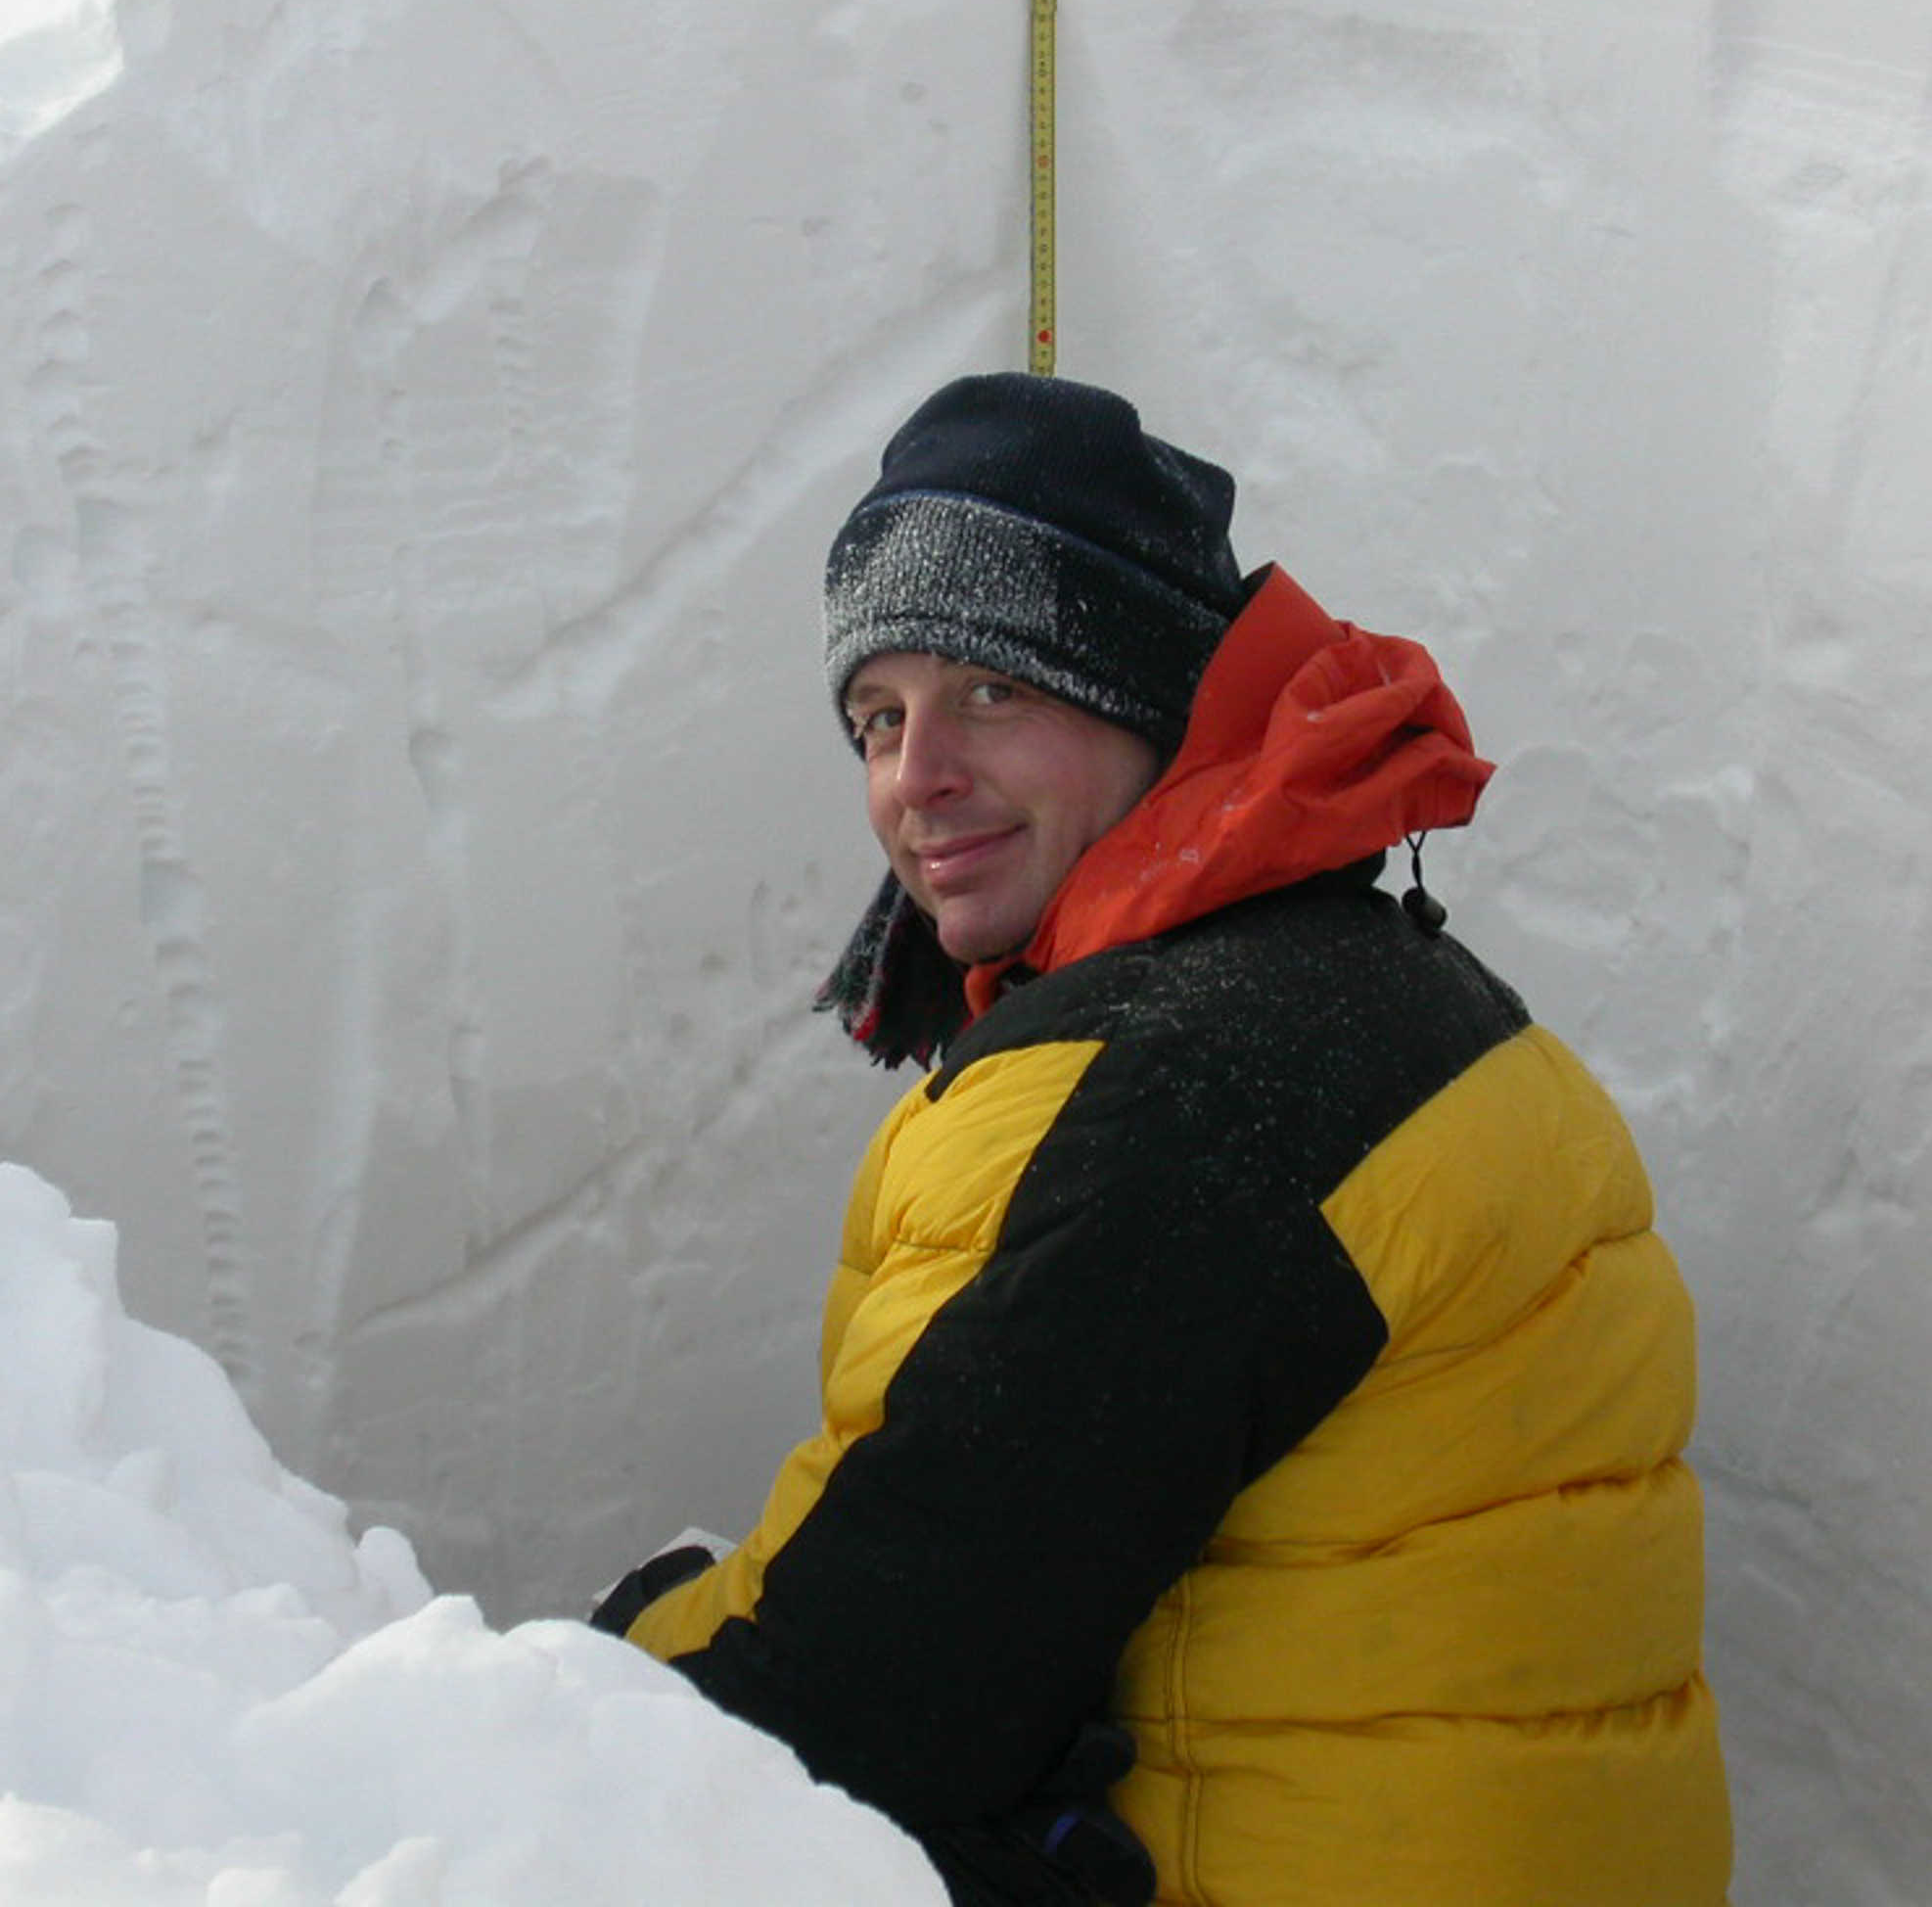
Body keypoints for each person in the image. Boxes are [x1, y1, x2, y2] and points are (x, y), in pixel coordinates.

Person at [590, 373, 1733, 1905]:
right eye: (880, 716)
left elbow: (855, 1707)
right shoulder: (1384, 990)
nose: (916, 779)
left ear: (1145, 701)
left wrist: (600, 1658)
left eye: (992, 692)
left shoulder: (1182, 1083)